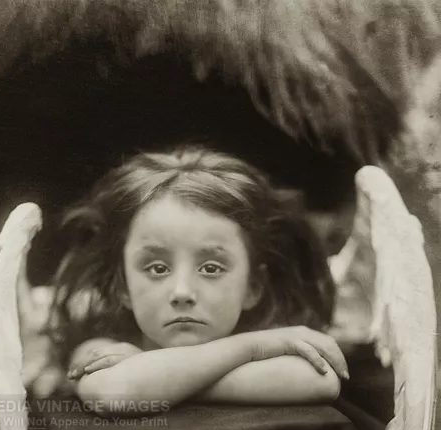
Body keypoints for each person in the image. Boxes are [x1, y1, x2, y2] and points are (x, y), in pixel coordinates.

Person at [50, 145, 349, 414]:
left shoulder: (127, 362)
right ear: (123, 286)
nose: (182, 292)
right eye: (157, 268)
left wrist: (155, 378)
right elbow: (116, 392)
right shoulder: (100, 349)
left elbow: (320, 380)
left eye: (211, 268)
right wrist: (254, 347)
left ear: (253, 287)